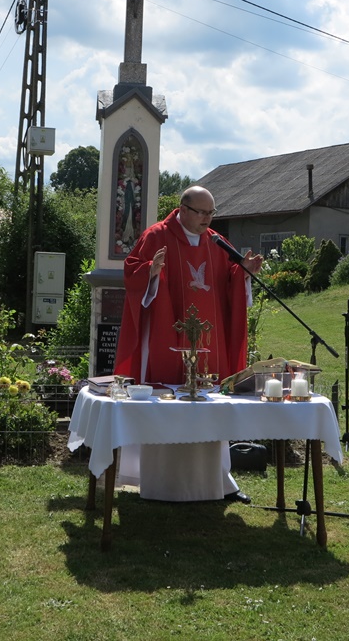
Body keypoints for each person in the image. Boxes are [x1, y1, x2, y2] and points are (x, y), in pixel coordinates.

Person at [112, 186, 263, 503]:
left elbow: (230, 280)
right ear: (183, 209)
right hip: (167, 336)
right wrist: (151, 272)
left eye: (211, 213)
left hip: (208, 342)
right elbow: (131, 270)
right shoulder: (157, 236)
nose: (207, 219)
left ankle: (218, 481)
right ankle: (160, 483)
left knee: (210, 407)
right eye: (202, 212)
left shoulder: (216, 242)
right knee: (166, 400)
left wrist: (244, 274)